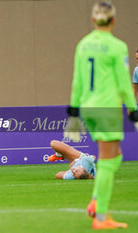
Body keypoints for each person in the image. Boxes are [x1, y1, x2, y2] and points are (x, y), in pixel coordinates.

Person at [64, 1, 138, 230]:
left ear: (94, 20)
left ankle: (96, 202)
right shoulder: (117, 46)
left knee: (113, 156)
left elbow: (77, 80)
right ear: (113, 20)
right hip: (107, 107)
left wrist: (74, 113)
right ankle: (101, 216)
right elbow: (125, 83)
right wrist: (133, 110)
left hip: (88, 107)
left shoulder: (83, 45)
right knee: (108, 159)